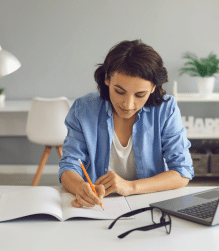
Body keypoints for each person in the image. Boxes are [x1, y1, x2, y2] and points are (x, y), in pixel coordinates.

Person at [58, 39, 194, 208]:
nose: (128, 105)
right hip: (98, 207)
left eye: (140, 95)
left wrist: (130, 187)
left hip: (149, 204)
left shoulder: (166, 109)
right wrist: (80, 188)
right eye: (119, 91)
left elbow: (182, 172)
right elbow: (69, 165)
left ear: (153, 88)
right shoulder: (83, 109)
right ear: (107, 78)